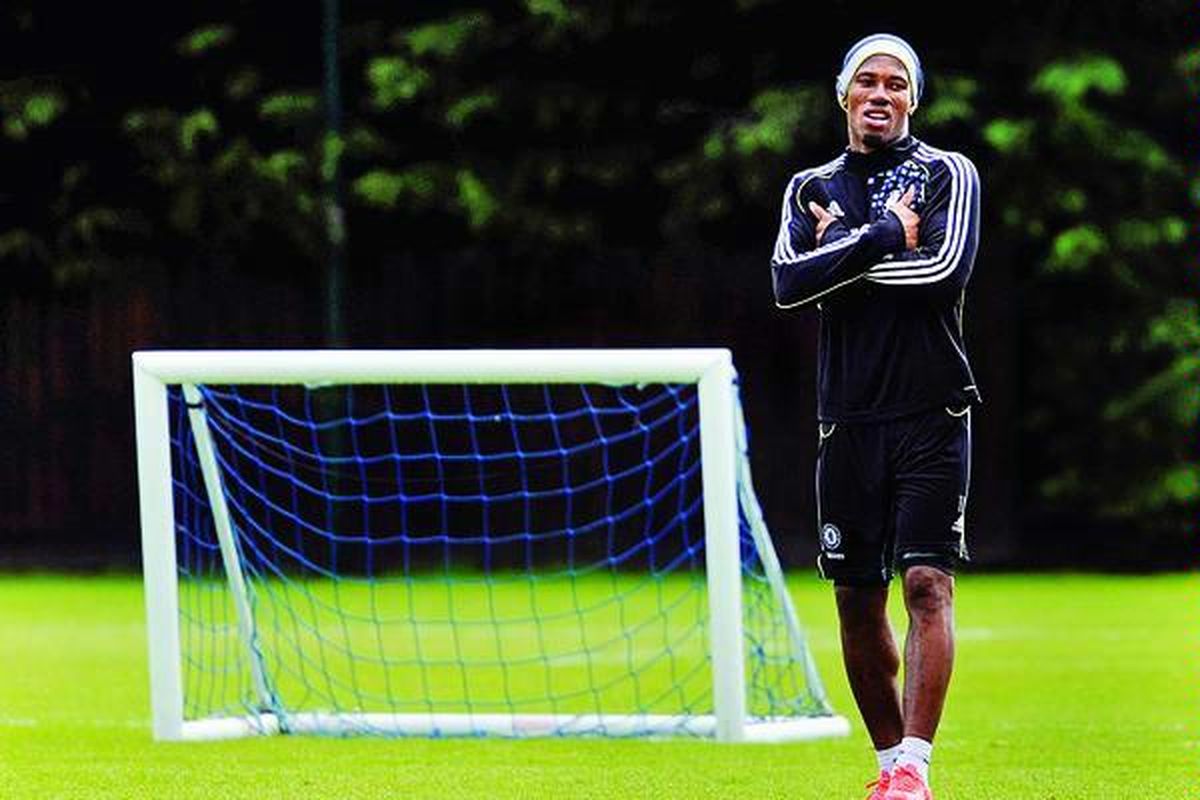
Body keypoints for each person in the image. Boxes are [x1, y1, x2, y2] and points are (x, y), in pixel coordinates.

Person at [769, 33, 981, 800]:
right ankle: (889, 765)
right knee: (857, 600)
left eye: (896, 83)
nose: (881, 94)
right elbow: (787, 285)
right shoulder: (809, 187)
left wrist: (843, 256)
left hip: (932, 411)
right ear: (844, 95)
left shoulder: (947, 173)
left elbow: (942, 272)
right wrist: (885, 236)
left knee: (926, 583)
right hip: (848, 422)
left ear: (913, 98)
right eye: (868, 81)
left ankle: (916, 768)